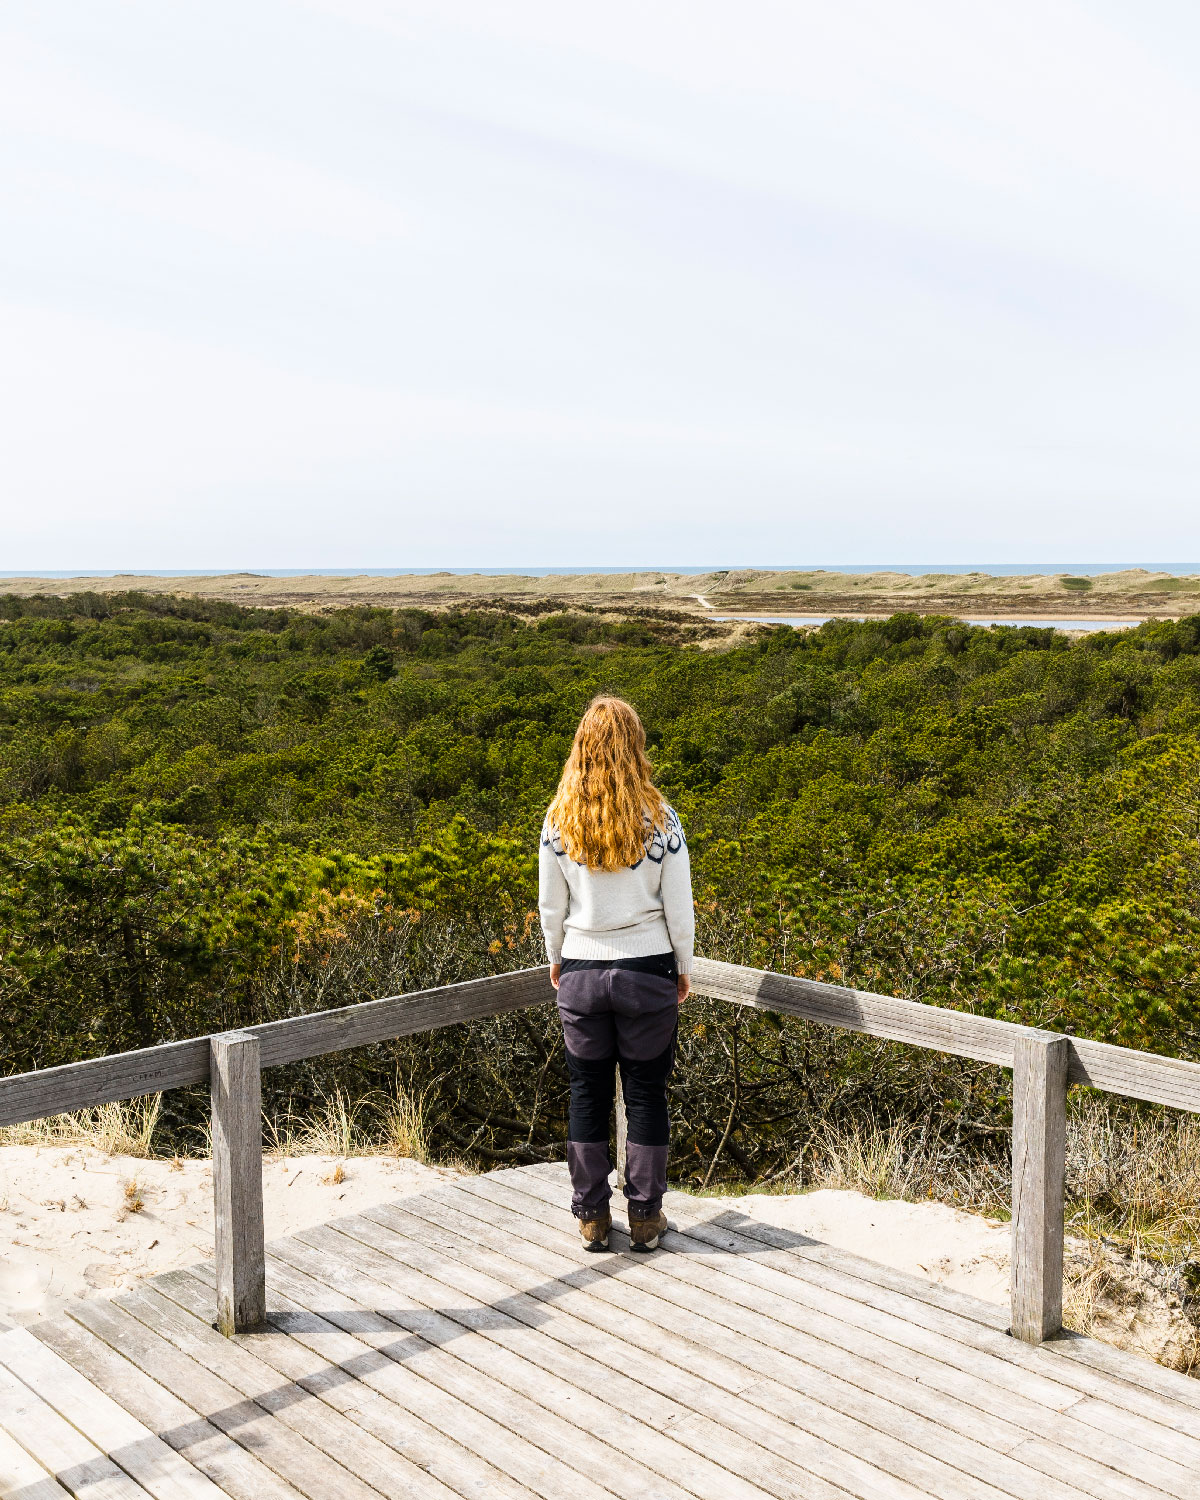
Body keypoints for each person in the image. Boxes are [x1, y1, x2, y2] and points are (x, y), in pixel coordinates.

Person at [539, 695, 694, 1252]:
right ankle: (647, 1219)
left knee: (587, 1091)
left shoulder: (559, 818)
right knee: (647, 1092)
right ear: (636, 747)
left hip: (581, 969)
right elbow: (680, 906)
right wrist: (683, 966)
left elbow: (549, 907)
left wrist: (557, 956)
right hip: (647, 970)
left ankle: (591, 1218)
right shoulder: (662, 818)